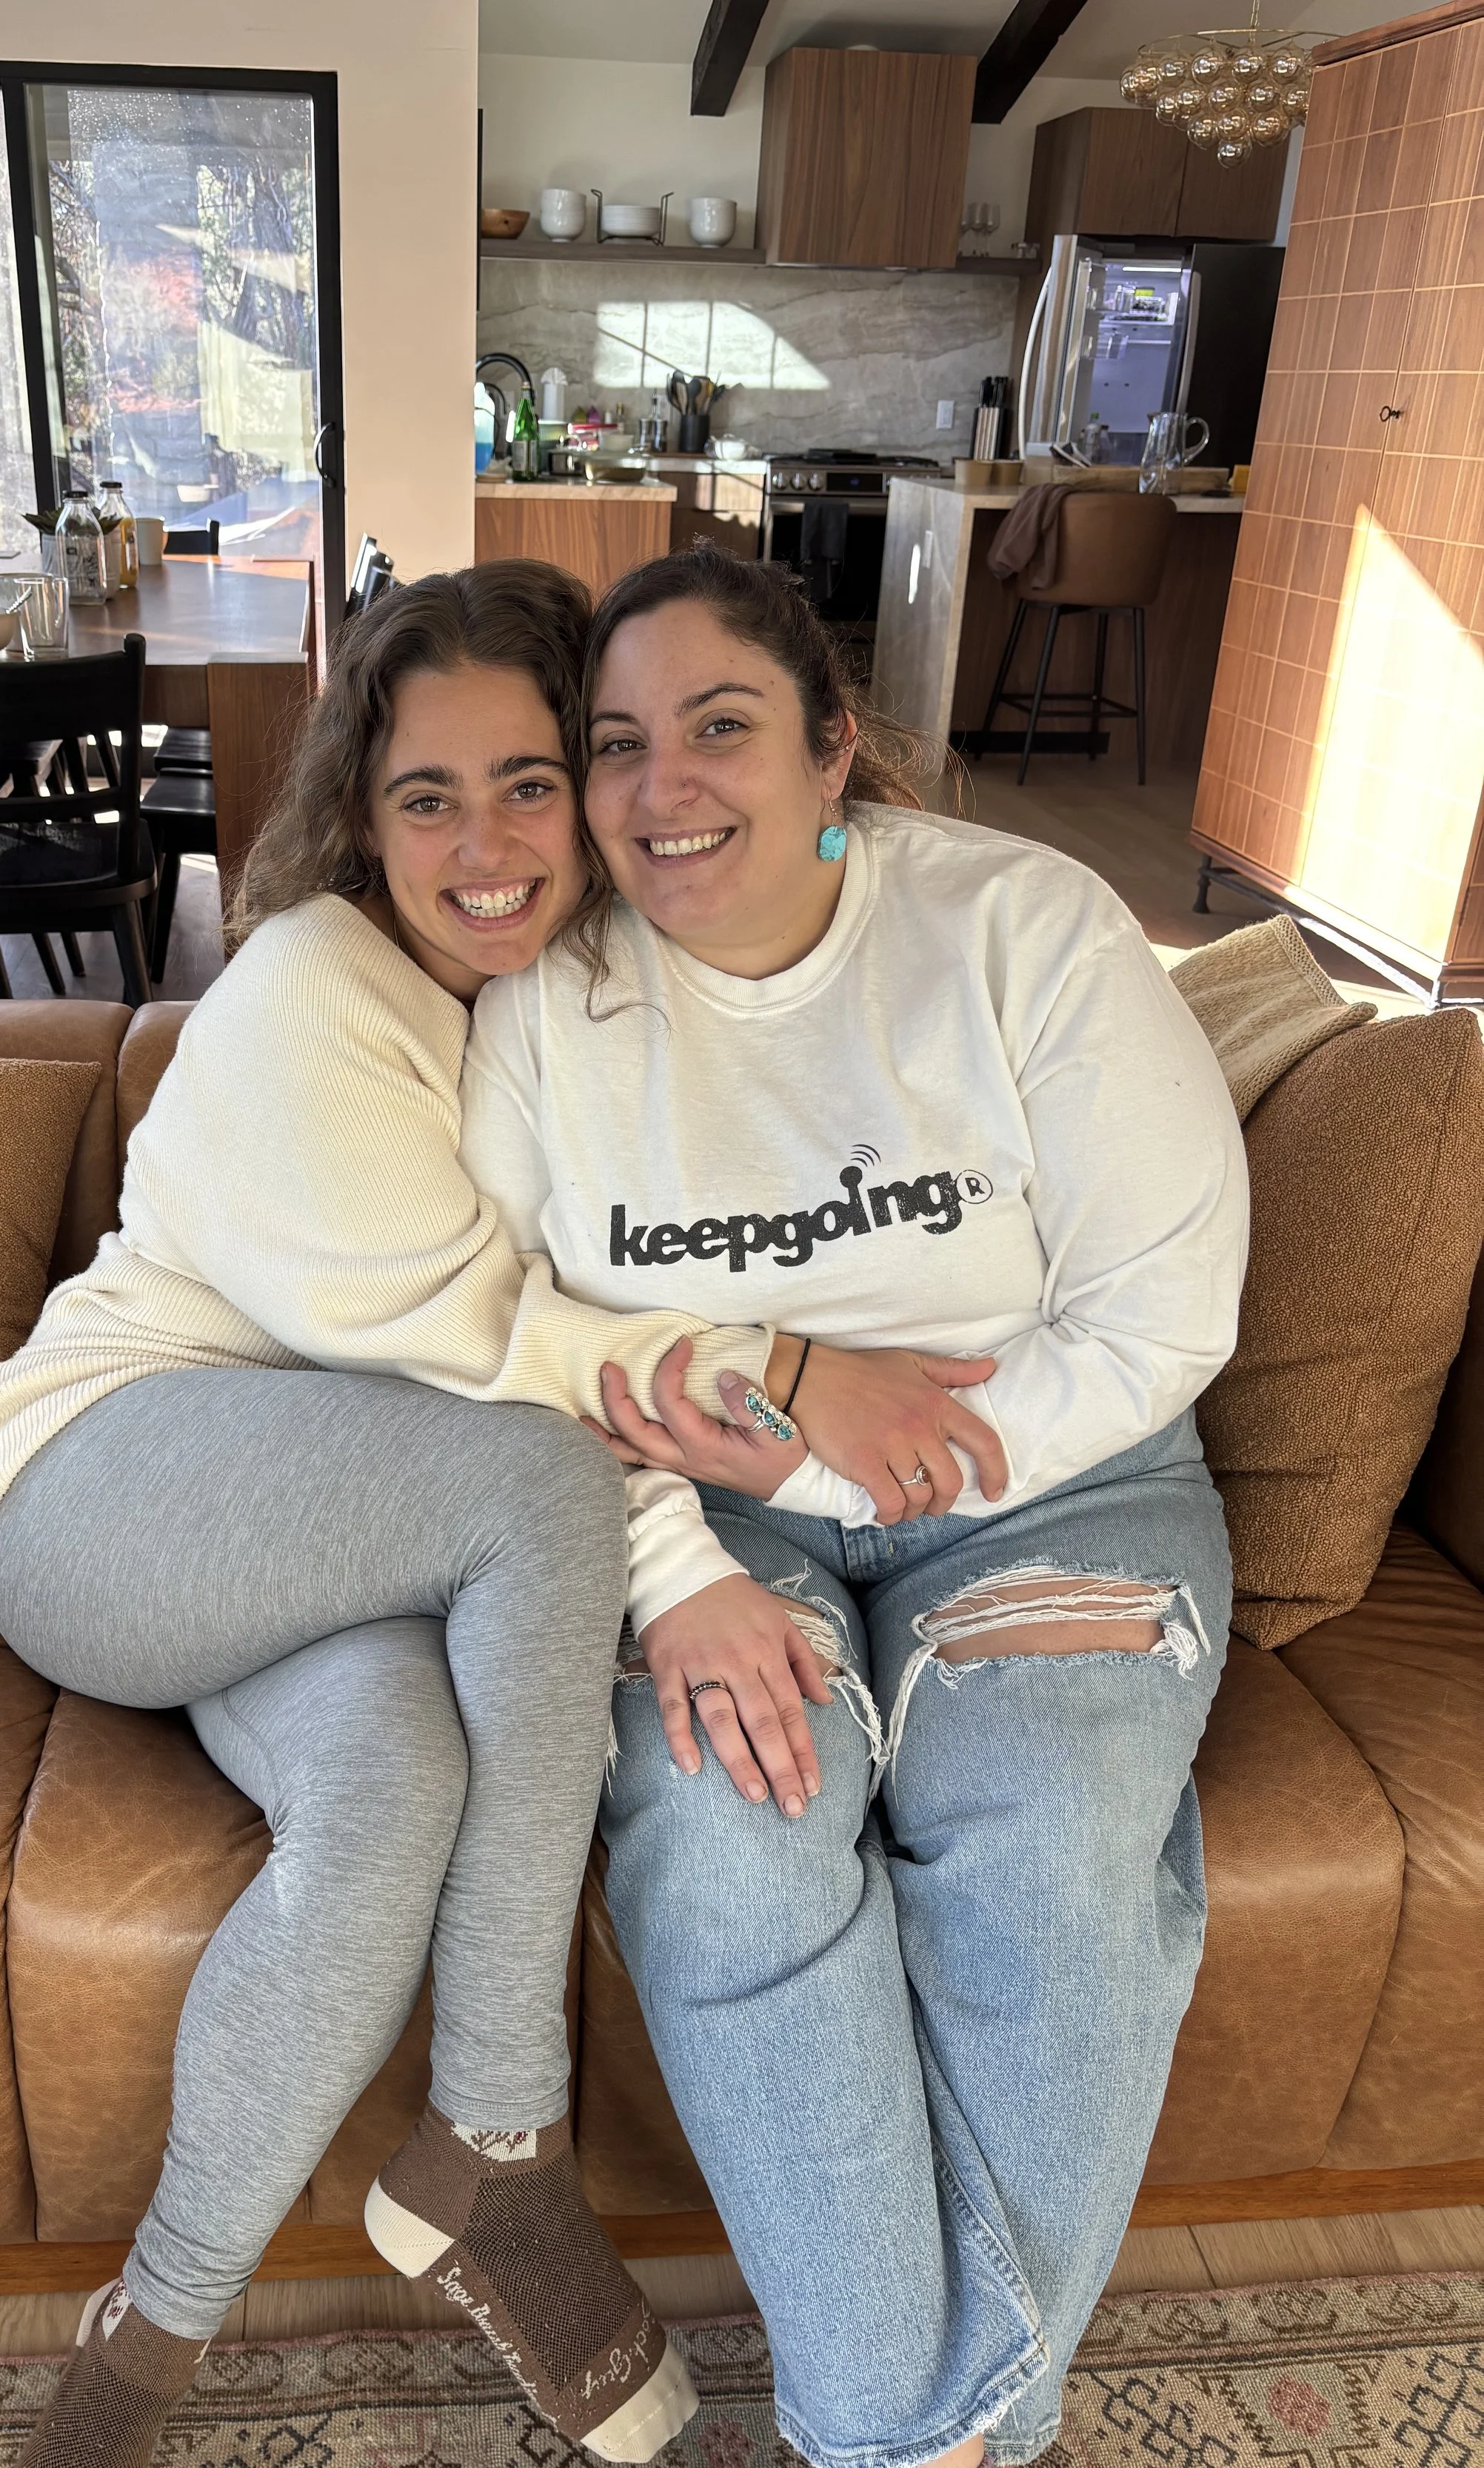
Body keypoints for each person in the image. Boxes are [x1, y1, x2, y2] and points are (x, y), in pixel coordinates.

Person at [0, 561, 932, 2468]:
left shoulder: (559, 1000)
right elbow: (477, 1342)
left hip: (330, 1526)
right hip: (109, 1475)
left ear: (597, 784)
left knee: (392, 1796)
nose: (482, 843)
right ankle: (501, 2143)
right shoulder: (323, 991)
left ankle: (151, 2335)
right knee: (539, 1473)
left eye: (531, 781)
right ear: (357, 813)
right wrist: (790, 1371)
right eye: (424, 796)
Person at [457, 543, 1249, 2468]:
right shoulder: (542, 1009)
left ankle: (882, 2439)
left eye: (721, 725)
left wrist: (817, 1449)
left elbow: (1164, 1311)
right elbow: (502, 1333)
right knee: (734, 1834)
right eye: (615, 743)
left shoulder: (1019, 926)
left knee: (1052, 1841)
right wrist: (722, 1507)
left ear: (835, 754)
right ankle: (931, 2437)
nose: (664, 786)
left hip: (1050, 1469)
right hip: (691, 1510)